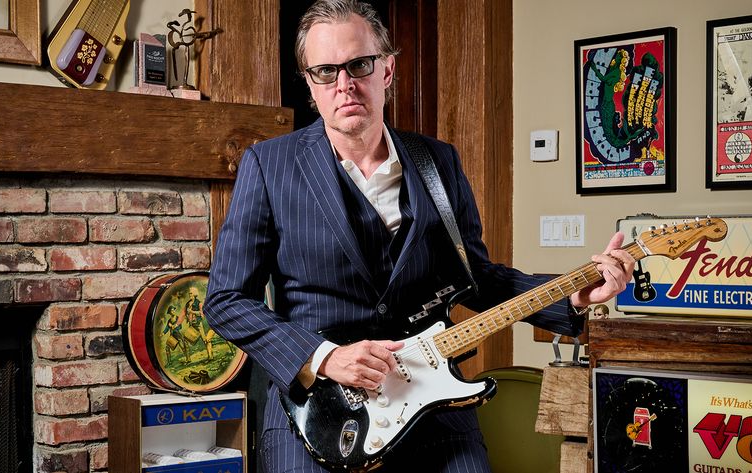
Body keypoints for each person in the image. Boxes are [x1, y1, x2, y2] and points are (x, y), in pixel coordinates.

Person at [204, 1, 634, 471]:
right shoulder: (269, 165)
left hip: (433, 399)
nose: (344, 84)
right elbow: (225, 299)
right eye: (325, 71)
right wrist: (324, 357)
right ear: (310, 83)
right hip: (316, 412)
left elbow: (480, 277)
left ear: (387, 69)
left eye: (359, 65)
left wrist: (573, 295)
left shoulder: (438, 162)